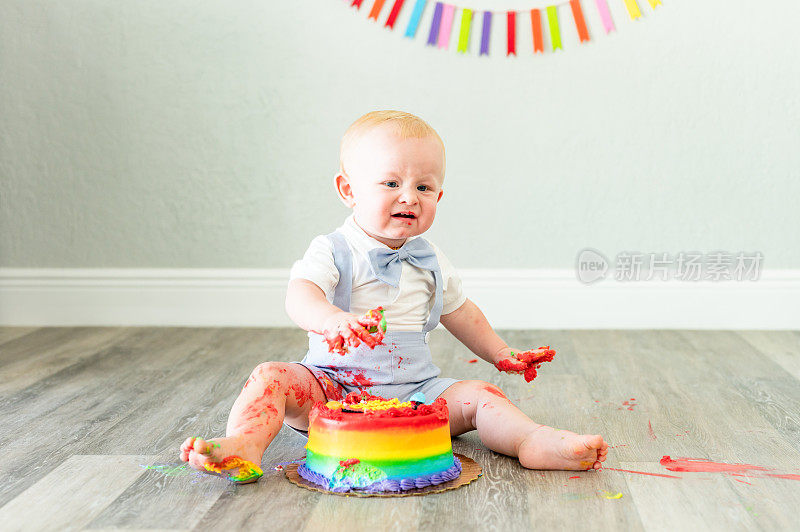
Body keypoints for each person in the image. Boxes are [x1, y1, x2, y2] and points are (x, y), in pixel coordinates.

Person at [180, 110, 608, 481]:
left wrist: (500, 352)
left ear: (439, 196)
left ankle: (532, 440)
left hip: (417, 394)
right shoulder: (334, 248)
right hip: (331, 389)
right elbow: (300, 294)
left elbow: (459, 312)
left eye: (424, 188)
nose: (410, 197)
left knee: (480, 395)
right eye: (390, 182)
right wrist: (332, 319)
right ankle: (244, 443)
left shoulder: (432, 259)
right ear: (348, 190)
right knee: (271, 375)